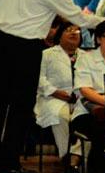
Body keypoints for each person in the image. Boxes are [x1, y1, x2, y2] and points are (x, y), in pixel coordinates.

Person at [0, 0, 103, 173]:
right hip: (26, 48)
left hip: (2, 41)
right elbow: (78, 18)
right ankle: (9, 162)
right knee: (21, 106)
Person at [71, 19, 105, 173]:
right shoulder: (87, 59)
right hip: (88, 112)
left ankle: (101, 167)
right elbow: (85, 90)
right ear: (99, 39)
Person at [34, 21, 81, 160]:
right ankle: (66, 155)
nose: (73, 33)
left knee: (87, 119)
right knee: (61, 116)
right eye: (68, 30)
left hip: (81, 99)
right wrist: (55, 92)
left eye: (77, 31)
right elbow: (39, 78)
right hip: (52, 98)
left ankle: (77, 155)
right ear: (59, 36)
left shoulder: (87, 56)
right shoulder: (47, 54)